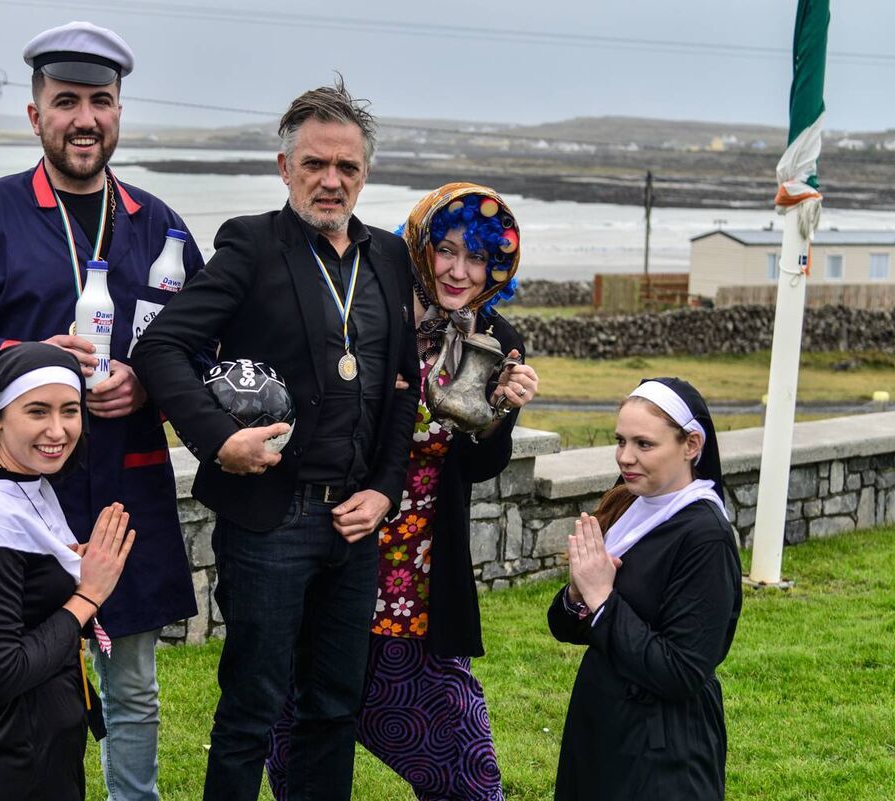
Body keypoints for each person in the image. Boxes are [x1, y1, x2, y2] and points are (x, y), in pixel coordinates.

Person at [0, 21, 202, 801]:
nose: (84, 118)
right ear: (34, 114)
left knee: (134, 692)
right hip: (9, 502)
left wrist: (151, 384)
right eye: (65, 100)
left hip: (122, 496)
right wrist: (25, 361)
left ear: (118, 114)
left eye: (99, 101)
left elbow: (199, 353)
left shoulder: (162, 225)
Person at [132, 79, 420, 801]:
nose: (331, 181)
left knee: (332, 707)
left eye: (347, 168)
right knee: (250, 711)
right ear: (285, 166)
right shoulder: (250, 245)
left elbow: (402, 389)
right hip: (271, 519)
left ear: (365, 174)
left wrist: (385, 489)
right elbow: (163, 347)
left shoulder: (388, 255)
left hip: (354, 523)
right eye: (316, 164)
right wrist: (219, 440)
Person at [265, 183, 539, 800]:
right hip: (333, 547)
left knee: (467, 772)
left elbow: (482, 464)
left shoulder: (496, 337)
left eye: (478, 259)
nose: (458, 271)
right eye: (446, 250)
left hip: (416, 572)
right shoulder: (369, 307)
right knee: (299, 746)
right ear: (419, 244)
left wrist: (502, 411)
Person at [0, 342, 135, 801]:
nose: (57, 430)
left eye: (70, 411)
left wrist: (64, 566)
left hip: (43, 744)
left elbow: (25, 597)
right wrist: (88, 595)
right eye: (37, 411)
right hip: (14, 759)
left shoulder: (28, 486)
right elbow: (2, 671)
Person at [547, 377, 743, 801]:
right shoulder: (629, 507)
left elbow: (683, 670)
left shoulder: (704, 536)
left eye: (644, 444)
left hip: (662, 751)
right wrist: (577, 598)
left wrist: (601, 600)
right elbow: (568, 626)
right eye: (620, 441)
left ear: (691, 445)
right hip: (603, 727)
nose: (625, 457)